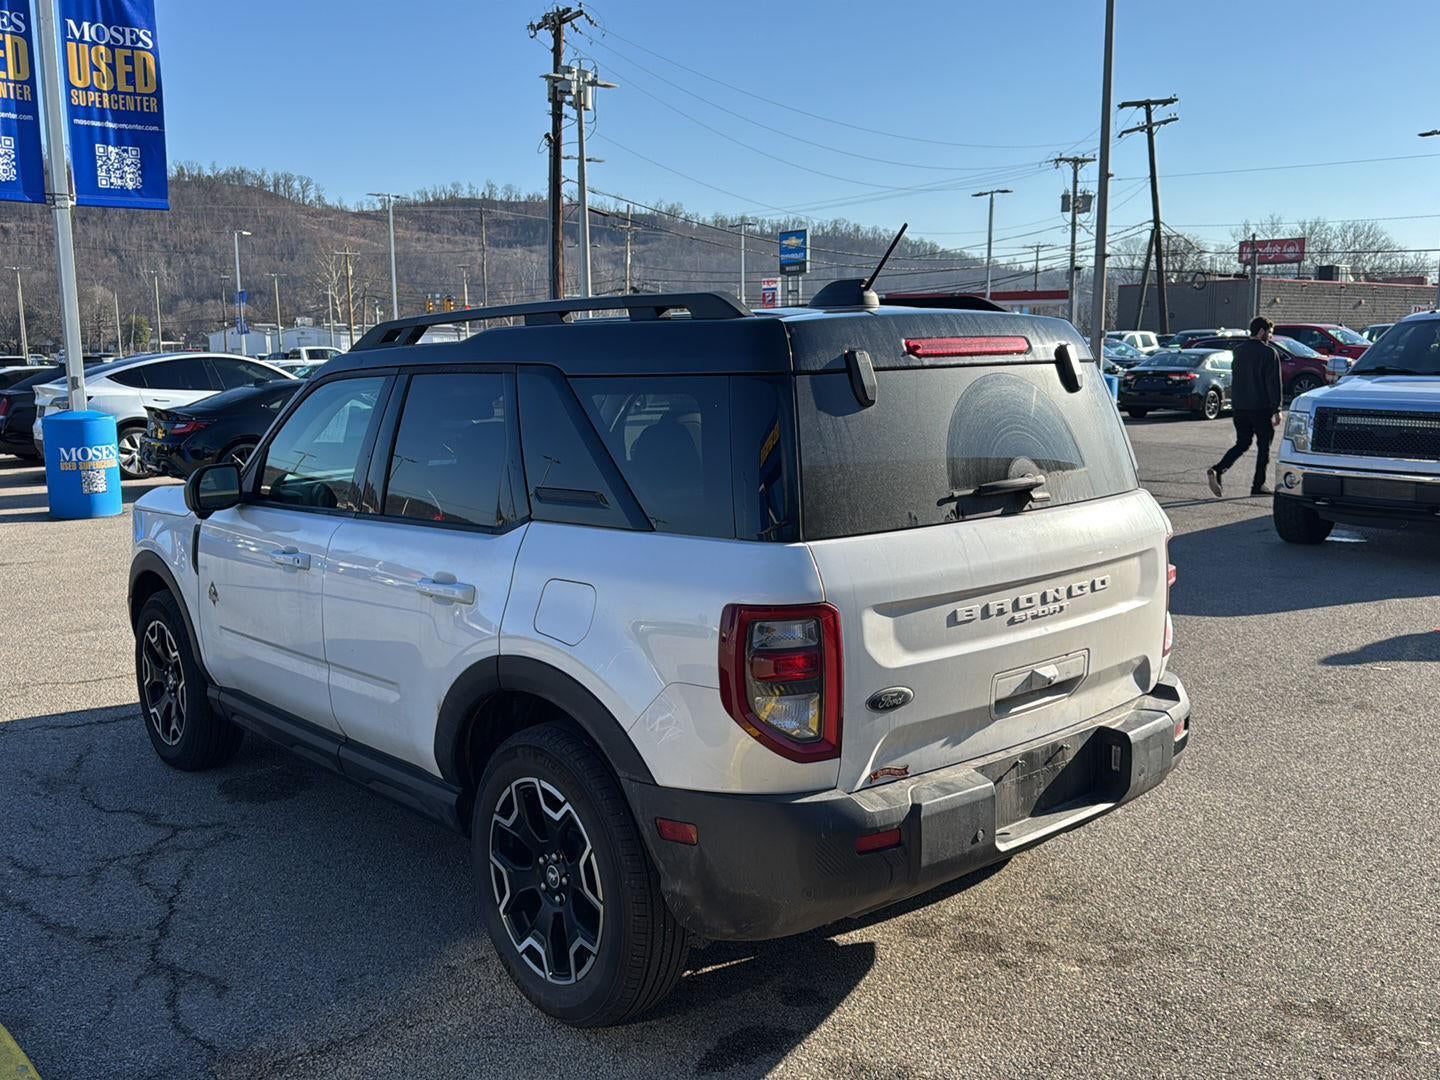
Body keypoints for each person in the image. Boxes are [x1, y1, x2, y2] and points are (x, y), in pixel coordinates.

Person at [1207, 316, 1282, 497]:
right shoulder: (1269, 353)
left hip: (1240, 407)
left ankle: (1218, 469)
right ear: (1262, 332)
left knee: (1242, 443)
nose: (1270, 337)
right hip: (1261, 408)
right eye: (1269, 333)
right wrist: (1277, 409)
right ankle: (1258, 485)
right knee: (1264, 447)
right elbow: (1273, 383)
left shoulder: (1238, 351)